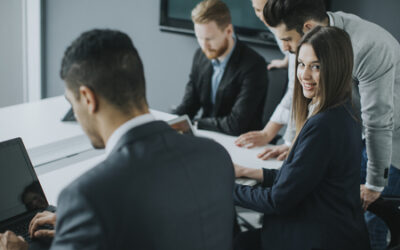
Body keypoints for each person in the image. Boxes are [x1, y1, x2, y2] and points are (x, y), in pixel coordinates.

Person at [0, 29, 235, 250]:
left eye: (73, 103)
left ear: (87, 98)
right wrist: (77, 227)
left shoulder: (88, 196)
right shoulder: (215, 155)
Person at [262, 0, 400, 248]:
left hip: (390, 143)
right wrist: (294, 143)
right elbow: (300, 90)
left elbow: (378, 120)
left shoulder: (368, 46)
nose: (284, 48)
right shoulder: (311, 39)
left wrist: (374, 183)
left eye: (287, 40)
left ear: (307, 27)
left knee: (370, 224)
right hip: (356, 133)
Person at [233, 26, 370, 250]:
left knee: (240, 243)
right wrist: (245, 172)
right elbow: (300, 177)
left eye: (316, 66)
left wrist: (226, 187)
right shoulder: (344, 109)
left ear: (336, 68)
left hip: (317, 237)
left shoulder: (323, 125)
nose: (304, 75)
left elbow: (277, 200)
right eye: (301, 64)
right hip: (335, 230)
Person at [174, 0, 268, 136]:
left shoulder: (254, 65)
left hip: (239, 142)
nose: (204, 46)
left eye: (209, 39)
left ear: (229, 31)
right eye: (199, 38)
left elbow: (236, 124)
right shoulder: (200, 56)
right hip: (207, 134)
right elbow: (189, 104)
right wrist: (171, 121)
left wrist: (195, 123)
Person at [235, 0, 296, 161]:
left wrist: (273, 135)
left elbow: (296, 93)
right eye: (257, 10)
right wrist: (287, 60)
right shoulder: (273, 20)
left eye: (266, 10)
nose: (263, 17)